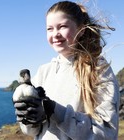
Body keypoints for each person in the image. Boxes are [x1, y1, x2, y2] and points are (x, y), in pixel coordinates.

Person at [13, 1, 120, 140]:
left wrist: (55, 111)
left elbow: (106, 133)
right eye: (49, 29)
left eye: (62, 26)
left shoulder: (98, 69)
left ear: (81, 30)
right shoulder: (43, 72)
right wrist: (28, 118)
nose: (55, 34)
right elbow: (34, 132)